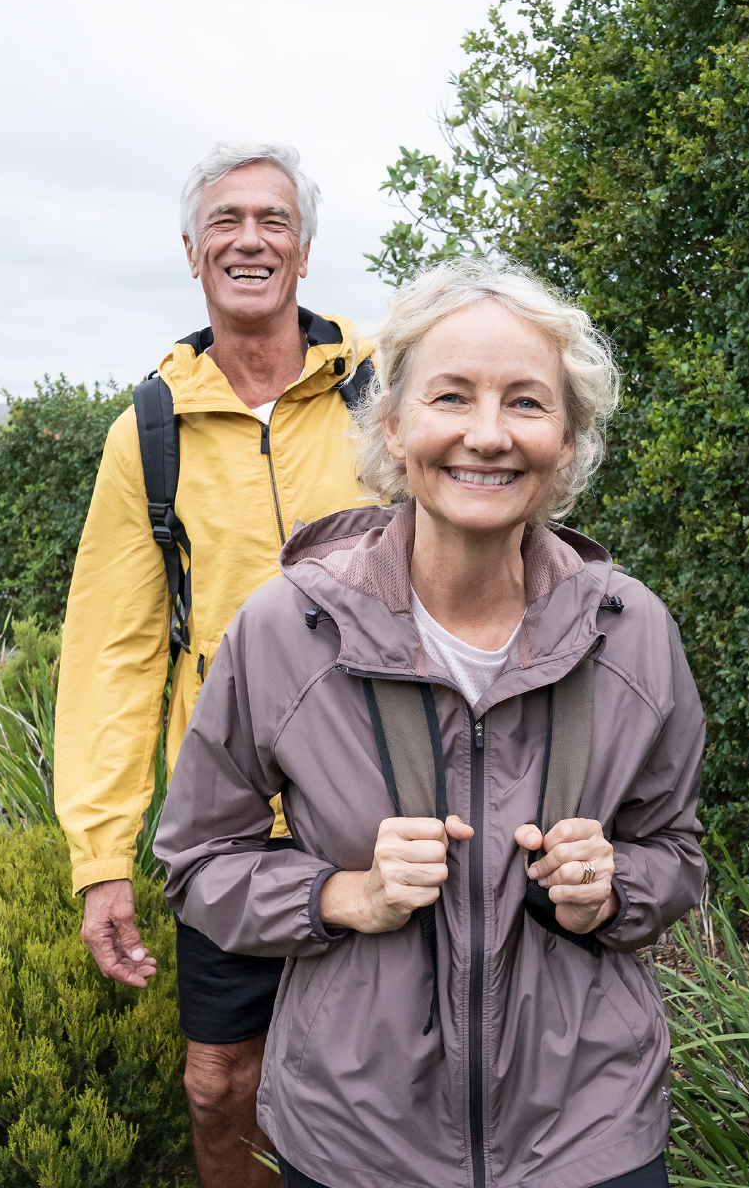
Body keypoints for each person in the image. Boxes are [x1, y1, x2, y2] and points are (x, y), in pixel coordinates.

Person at [154, 258, 707, 1188]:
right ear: (395, 422)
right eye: (452, 396)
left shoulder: (634, 632)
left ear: (566, 440)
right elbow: (198, 859)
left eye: (527, 403)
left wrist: (611, 890)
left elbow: (678, 851)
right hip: (357, 1134)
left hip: (591, 1134)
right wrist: (343, 897)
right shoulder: (289, 629)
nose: (487, 436)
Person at [55, 140, 374, 1188]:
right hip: (232, 824)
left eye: (273, 220)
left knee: (394, 1075)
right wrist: (102, 852)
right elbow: (114, 649)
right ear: (192, 252)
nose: (250, 239)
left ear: (305, 249)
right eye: (227, 222)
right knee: (220, 1084)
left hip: (393, 804)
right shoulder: (145, 431)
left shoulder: (390, 397)